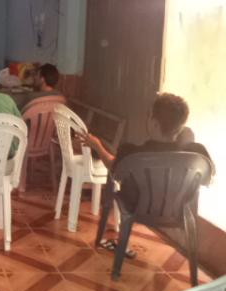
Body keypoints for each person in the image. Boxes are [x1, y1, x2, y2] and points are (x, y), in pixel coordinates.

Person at [79, 93, 213, 256]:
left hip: (138, 208)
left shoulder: (132, 152)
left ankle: (113, 241)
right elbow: (208, 180)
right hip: (178, 211)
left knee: (112, 187)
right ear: (181, 125)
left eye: (149, 115)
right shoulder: (197, 153)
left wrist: (98, 146)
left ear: (155, 124)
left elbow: (115, 169)